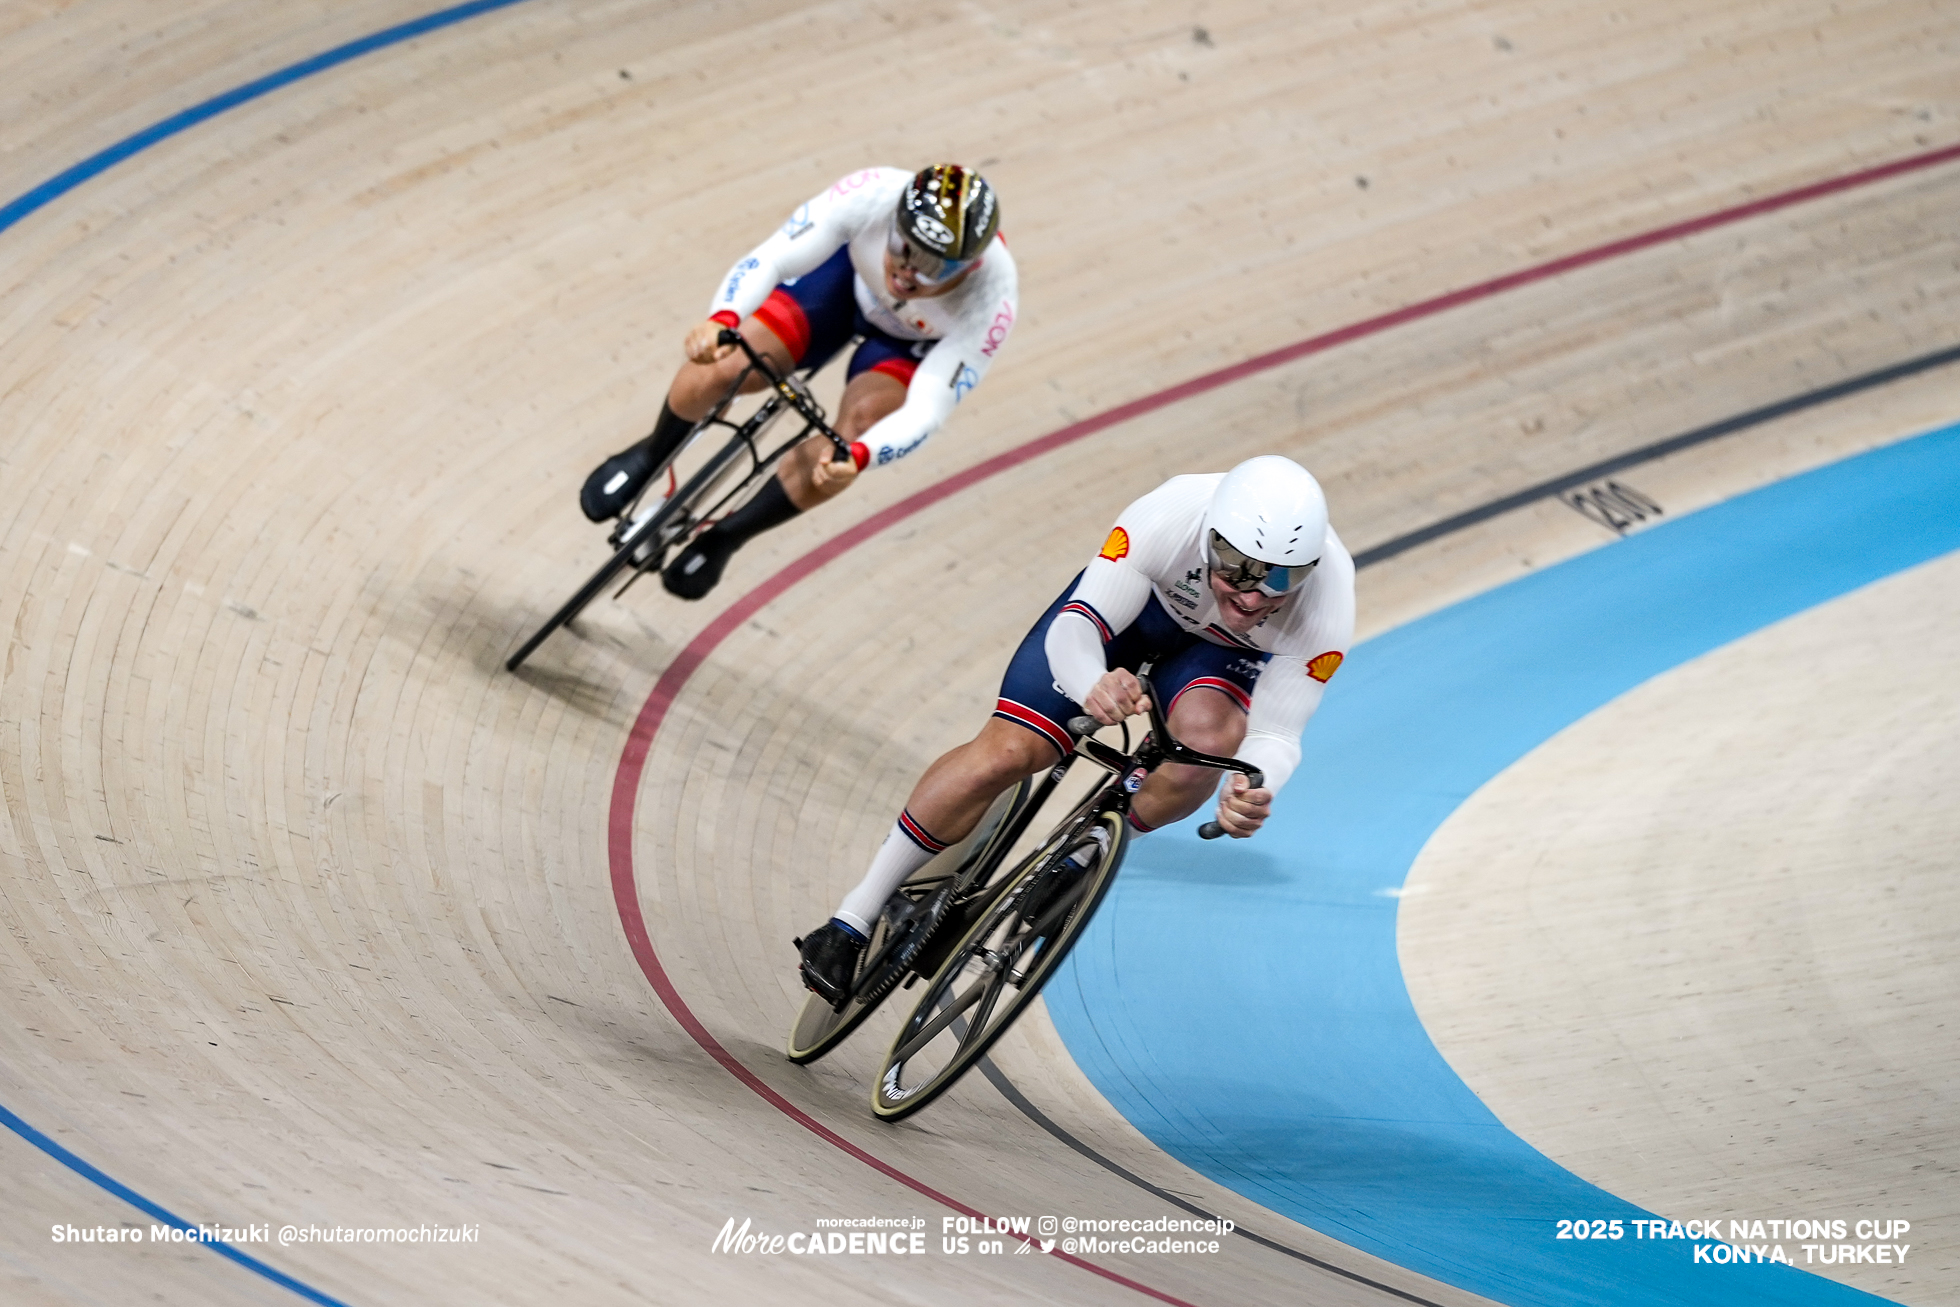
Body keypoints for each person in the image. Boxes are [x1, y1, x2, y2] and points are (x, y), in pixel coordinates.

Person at [796, 455, 1356, 1007]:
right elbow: (1077, 628)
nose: (1253, 595)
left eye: (1280, 579)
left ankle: (1086, 855)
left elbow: (1278, 734)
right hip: (1140, 613)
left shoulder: (1329, 601)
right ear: (1210, 540)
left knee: (1205, 752)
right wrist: (1092, 682)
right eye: (1237, 568)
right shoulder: (1168, 516)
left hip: (1222, 658)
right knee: (1009, 752)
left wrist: (1254, 789)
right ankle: (854, 916)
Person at [581, 164, 1019, 599]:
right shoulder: (873, 195)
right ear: (894, 222)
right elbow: (772, 257)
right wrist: (723, 319)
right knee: (727, 362)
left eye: (930, 266)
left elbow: (927, 409)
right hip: (843, 285)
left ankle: (726, 536)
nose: (908, 272)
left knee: (849, 444)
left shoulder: (990, 299)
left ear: (970, 266)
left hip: (908, 344)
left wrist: (861, 457)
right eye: (903, 247)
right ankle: (652, 454)